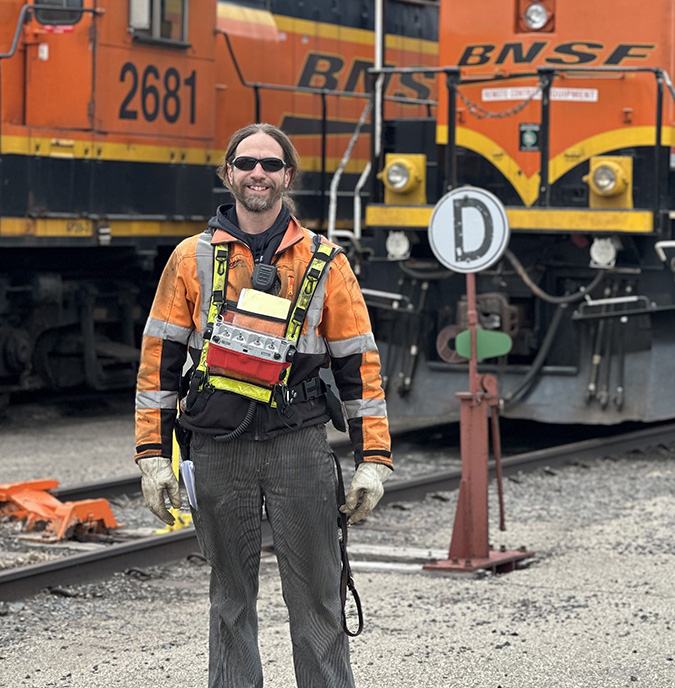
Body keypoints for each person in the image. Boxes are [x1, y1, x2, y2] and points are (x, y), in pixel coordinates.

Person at [135, 123, 393, 688]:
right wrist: (153, 455)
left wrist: (372, 460)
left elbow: (359, 367)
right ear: (227, 173)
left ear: (287, 177)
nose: (258, 173)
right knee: (229, 604)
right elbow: (159, 360)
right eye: (246, 163)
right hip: (218, 445)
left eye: (270, 165)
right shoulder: (190, 258)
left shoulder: (326, 262)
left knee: (319, 606)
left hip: (298, 445)